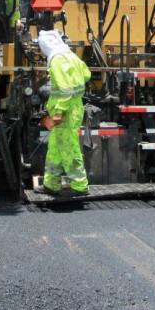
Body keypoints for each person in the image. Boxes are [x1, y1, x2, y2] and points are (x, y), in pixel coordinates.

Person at [38, 30, 92, 195]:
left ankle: (80, 185)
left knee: (69, 147)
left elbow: (64, 89)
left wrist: (58, 113)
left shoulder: (57, 60)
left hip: (65, 111)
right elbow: (87, 75)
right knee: (55, 147)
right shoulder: (71, 56)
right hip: (74, 107)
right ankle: (51, 183)